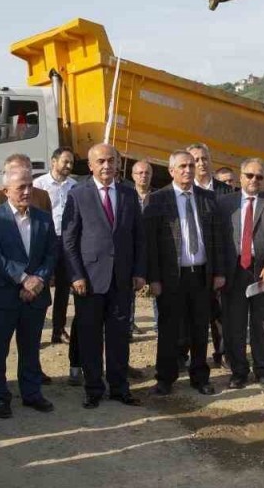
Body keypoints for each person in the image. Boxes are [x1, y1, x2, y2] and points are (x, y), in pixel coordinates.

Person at [61, 143, 147, 409]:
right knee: (90, 336)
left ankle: (120, 388)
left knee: (119, 336)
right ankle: (93, 388)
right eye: (101, 161)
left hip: (121, 279)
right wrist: (76, 275)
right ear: (90, 165)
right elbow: (69, 239)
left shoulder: (129, 194)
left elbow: (138, 238)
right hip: (89, 279)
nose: (107, 166)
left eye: (111, 160)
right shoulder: (78, 194)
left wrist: (139, 272)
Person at [145, 151, 227, 396]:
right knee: (169, 329)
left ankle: (200, 377)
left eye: (191, 165)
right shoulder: (157, 199)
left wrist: (219, 272)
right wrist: (154, 278)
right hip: (171, 276)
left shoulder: (208, 198)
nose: (188, 170)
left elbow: (218, 239)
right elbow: (150, 244)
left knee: (200, 328)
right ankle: (165, 378)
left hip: (201, 274)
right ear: (171, 170)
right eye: (182, 166)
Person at [0, 167, 58, 419]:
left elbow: (51, 253)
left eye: (29, 186)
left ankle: (32, 393)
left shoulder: (43, 218)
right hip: (2, 296)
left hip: (35, 297)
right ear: (6, 191)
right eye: (20, 187)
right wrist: (24, 279)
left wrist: (39, 280)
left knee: (30, 348)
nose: (27, 191)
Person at [218, 158, 264, 390]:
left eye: (259, 176)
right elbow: (218, 240)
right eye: (250, 175)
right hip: (234, 271)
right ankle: (238, 371)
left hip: (263, 272)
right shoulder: (225, 203)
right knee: (233, 324)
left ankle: (263, 370)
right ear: (241, 176)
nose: (254, 180)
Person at [187, 143, 231, 367]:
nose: (201, 163)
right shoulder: (183, 191)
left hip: (219, 261)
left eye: (204, 158)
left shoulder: (226, 191)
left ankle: (222, 354)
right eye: (195, 160)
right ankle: (185, 357)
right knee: (189, 315)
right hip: (192, 263)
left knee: (221, 313)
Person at [34, 148, 77, 346]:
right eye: (65, 162)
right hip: (45, 241)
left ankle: (58, 330)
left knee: (62, 288)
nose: (68, 166)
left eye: (71, 163)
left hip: (67, 242)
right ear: (53, 161)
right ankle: (33, 331)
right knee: (39, 284)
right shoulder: (39, 185)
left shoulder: (75, 186)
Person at [130, 159, 155, 334]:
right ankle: (129, 324)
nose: (143, 176)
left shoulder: (159, 197)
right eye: (140, 173)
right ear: (133, 176)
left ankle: (160, 324)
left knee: (156, 285)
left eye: (147, 173)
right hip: (131, 249)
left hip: (153, 248)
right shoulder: (125, 196)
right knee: (129, 287)